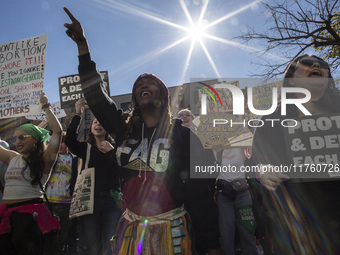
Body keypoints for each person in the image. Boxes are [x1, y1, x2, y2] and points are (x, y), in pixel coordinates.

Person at [63, 7, 220, 255]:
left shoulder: (183, 136)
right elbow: (97, 98)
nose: (143, 86)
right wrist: (83, 49)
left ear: (164, 96)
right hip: (132, 229)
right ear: (134, 98)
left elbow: (200, 195)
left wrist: (212, 245)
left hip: (173, 230)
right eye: (138, 85)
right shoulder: (123, 130)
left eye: (151, 83)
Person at [251, 55, 340, 254]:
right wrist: (263, 172)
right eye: (307, 63)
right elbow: (256, 162)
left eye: (322, 64)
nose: (317, 65)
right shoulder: (271, 119)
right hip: (298, 229)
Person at [0, 92, 62, 255]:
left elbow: (57, 132)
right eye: (15, 138)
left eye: (23, 137)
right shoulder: (12, 157)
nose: (17, 142)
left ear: (35, 139)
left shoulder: (45, 160)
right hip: (7, 218)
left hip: (29, 219)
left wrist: (46, 108)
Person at [64, 98, 122, 255]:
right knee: (91, 245)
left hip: (112, 200)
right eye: (95, 122)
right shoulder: (85, 148)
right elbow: (68, 140)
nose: (98, 124)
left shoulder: (117, 149)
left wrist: (112, 152)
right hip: (89, 200)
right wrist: (77, 113)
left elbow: (122, 171)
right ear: (91, 128)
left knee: (112, 242)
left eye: (102, 122)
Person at [213, 145, 258, 255]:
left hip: (242, 190)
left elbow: (250, 158)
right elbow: (212, 164)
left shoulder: (242, 137)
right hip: (223, 193)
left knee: (247, 232)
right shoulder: (213, 139)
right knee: (226, 236)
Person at [44, 131, 78, 255]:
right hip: (47, 203)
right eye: (59, 142)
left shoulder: (74, 160)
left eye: (63, 142)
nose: (61, 145)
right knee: (45, 236)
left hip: (66, 204)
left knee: (61, 238)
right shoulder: (49, 158)